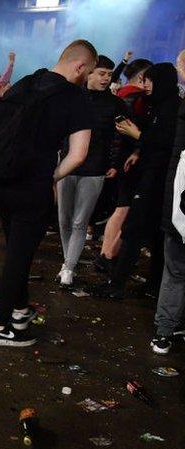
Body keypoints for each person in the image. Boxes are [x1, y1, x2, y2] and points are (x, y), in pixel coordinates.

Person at [0, 40, 96, 347]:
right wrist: (52, 177)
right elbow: (79, 154)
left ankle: (19, 311)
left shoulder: (28, 82)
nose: (86, 80)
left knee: (16, 250)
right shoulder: (76, 98)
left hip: (1, 179)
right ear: (80, 66)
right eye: (89, 73)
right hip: (32, 185)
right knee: (18, 258)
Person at [93, 62, 182, 299]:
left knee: (134, 229)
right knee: (152, 234)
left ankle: (117, 285)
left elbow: (167, 143)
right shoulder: (158, 106)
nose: (145, 85)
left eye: (150, 80)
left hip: (159, 180)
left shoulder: (173, 108)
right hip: (151, 175)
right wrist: (137, 150)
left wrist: (138, 136)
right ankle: (150, 286)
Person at [55, 55, 124, 287]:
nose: (106, 79)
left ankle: (69, 268)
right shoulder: (72, 96)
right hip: (67, 166)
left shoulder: (115, 104)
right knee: (64, 219)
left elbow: (124, 135)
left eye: (110, 75)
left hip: (95, 170)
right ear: (90, 73)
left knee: (79, 222)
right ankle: (67, 261)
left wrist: (116, 161)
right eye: (102, 73)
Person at [96, 58, 153, 272]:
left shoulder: (120, 95)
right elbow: (128, 133)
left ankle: (106, 253)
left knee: (121, 207)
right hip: (128, 161)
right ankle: (107, 255)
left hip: (118, 160)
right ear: (142, 77)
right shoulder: (136, 99)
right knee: (124, 208)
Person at [151, 49, 185, 355]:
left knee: (174, 271)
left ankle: (164, 332)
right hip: (177, 206)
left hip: (178, 207)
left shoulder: (178, 108)